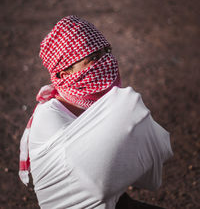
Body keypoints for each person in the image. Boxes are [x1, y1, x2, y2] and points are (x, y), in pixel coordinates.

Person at [19, 15, 173, 209]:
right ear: (65, 74)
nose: (106, 61)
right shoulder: (49, 119)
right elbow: (101, 183)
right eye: (94, 58)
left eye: (106, 51)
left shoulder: (91, 105)